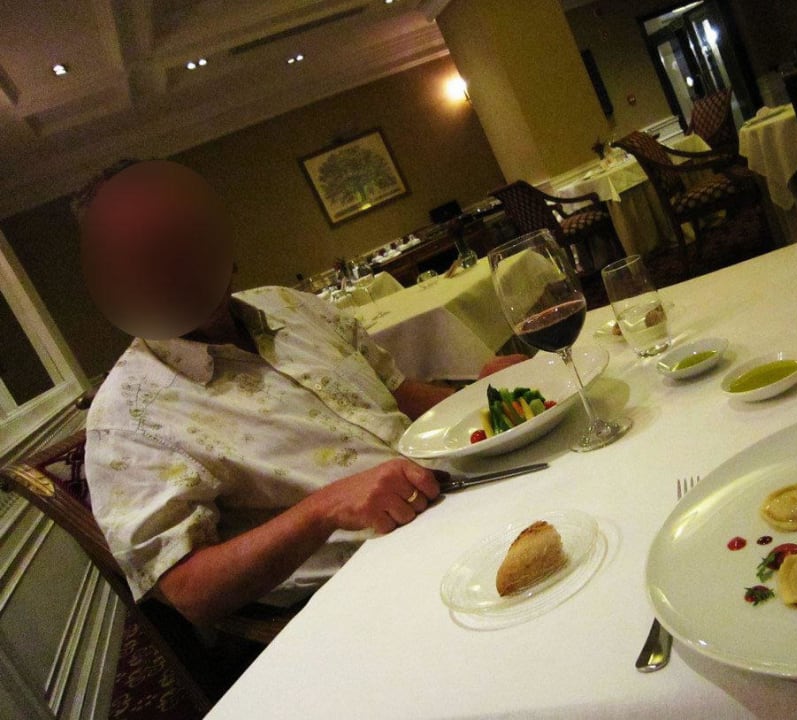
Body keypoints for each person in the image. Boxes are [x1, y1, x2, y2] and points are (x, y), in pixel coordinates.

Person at [79, 160, 525, 626]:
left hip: (458, 501)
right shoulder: (126, 419)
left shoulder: (288, 304)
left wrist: (486, 395)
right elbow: (191, 591)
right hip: (368, 593)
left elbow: (399, 395)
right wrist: (325, 509)